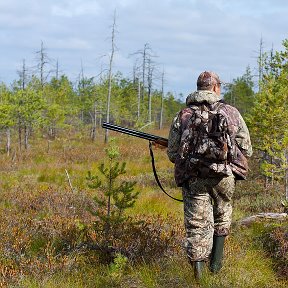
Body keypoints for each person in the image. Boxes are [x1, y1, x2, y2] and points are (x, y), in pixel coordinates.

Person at [167, 71, 252, 279]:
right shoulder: (231, 112)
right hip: (224, 176)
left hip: (194, 178)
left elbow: (172, 153)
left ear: (198, 88)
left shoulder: (184, 114)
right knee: (223, 215)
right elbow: (247, 149)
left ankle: (199, 277)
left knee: (196, 225)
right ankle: (216, 267)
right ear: (215, 88)